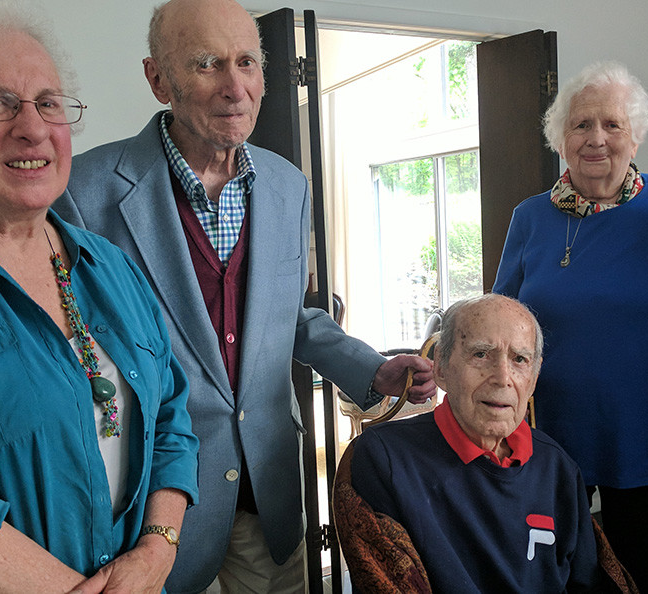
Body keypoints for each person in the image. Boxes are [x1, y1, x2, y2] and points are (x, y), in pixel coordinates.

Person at [52, 0, 436, 591]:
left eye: (247, 63)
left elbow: (290, 316)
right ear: (159, 80)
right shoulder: (83, 191)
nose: (235, 87)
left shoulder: (288, 184)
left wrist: (371, 369)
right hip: (152, 507)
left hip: (269, 488)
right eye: (207, 64)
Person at [0, 2, 199, 593]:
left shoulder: (108, 265)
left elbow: (171, 423)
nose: (32, 128)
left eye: (48, 103)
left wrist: (154, 555)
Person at [492, 61, 648, 593]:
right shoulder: (530, 217)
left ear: (635, 137)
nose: (596, 139)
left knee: (644, 573)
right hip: (549, 428)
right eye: (581, 125)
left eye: (612, 125)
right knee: (553, 571)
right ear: (560, 139)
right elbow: (500, 319)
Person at [347, 294, 600, 592]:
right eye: (481, 354)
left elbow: (586, 583)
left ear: (533, 377)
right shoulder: (386, 459)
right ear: (440, 366)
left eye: (519, 359)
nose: (502, 378)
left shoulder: (557, 467)